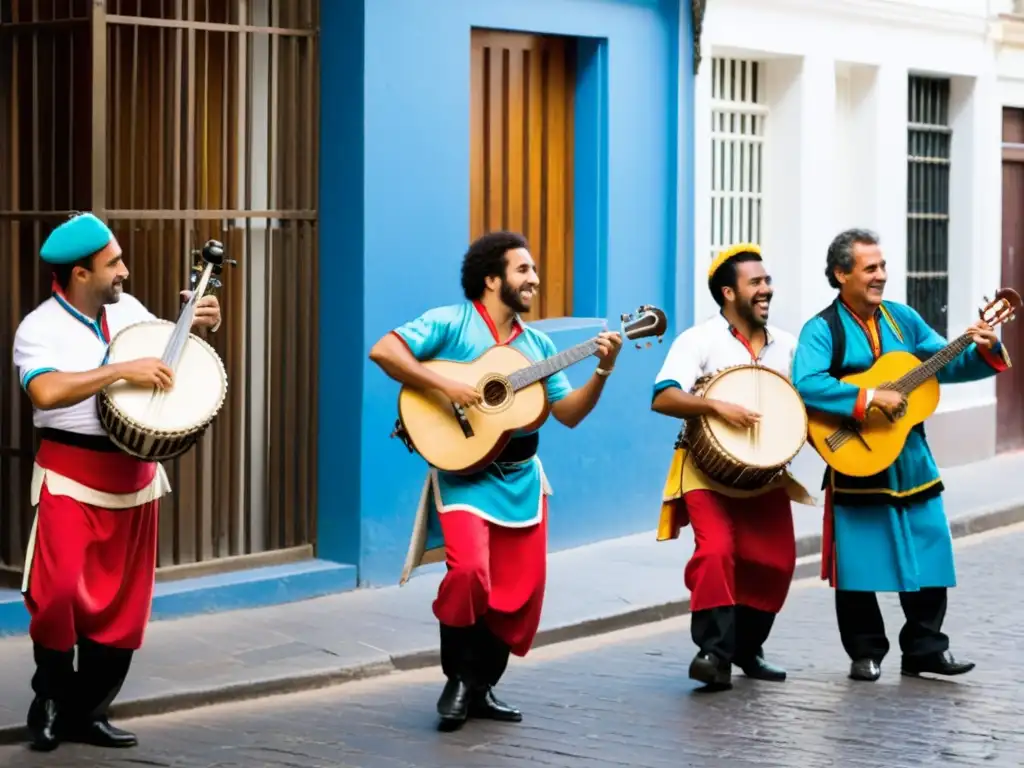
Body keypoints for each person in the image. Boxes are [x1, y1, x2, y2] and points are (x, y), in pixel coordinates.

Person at [369, 231, 621, 731]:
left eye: (532, 271)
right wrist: (450, 387)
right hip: (464, 475)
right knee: (468, 574)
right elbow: (384, 352)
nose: (534, 279)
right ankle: (458, 680)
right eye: (522, 270)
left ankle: (482, 686)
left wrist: (603, 371)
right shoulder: (450, 322)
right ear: (491, 279)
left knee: (518, 591)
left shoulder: (538, 345)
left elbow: (568, 414)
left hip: (522, 477)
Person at [13, 212, 222, 751]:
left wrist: (194, 322)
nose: (125, 271)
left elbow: (161, 359)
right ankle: (51, 702)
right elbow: (45, 394)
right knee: (57, 596)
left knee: (124, 604)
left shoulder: (128, 311)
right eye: (114, 263)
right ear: (80, 273)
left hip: (134, 476)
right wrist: (115, 371)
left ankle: (90, 710)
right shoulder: (38, 328)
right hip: (70, 476)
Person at [791, 228, 1010, 682]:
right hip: (856, 461)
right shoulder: (821, 329)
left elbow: (943, 364)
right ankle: (865, 652)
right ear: (840, 274)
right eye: (870, 268)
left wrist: (986, 347)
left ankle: (926, 648)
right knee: (859, 564)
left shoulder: (902, 320)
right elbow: (807, 383)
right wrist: (868, 397)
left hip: (912, 460)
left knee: (932, 552)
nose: (881, 276)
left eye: (883, 267)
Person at [652, 243, 812, 691]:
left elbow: (808, 403)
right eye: (756, 283)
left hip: (765, 476)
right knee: (717, 551)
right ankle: (713, 653)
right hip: (705, 472)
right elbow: (663, 395)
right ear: (728, 293)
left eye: (767, 281)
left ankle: (747, 648)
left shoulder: (789, 345)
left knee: (777, 563)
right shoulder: (699, 340)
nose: (767, 289)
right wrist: (717, 406)